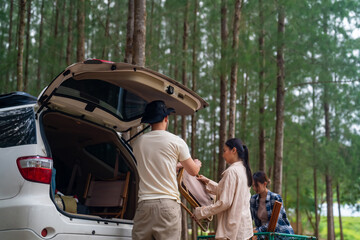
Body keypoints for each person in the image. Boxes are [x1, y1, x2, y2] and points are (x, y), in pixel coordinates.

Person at [131, 100, 201, 240]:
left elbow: (152, 165)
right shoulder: (176, 141)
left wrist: (174, 166)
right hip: (167, 205)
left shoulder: (138, 143)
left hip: (144, 205)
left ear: (149, 122)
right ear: (166, 118)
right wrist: (197, 164)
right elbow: (193, 171)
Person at [194, 138, 254, 240]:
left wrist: (201, 212)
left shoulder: (232, 171)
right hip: (244, 227)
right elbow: (226, 191)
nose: (223, 155)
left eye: (225, 151)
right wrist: (207, 182)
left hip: (232, 229)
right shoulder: (243, 170)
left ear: (234, 150)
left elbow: (225, 202)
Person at [250, 171, 294, 236]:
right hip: (264, 234)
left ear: (265, 184)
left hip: (280, 233)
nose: (254, 188)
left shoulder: (275, 198)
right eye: (253, 186)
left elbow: (275, 223)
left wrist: (257, 230)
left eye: (257, 185)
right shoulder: (253, 200)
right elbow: (249, 218)